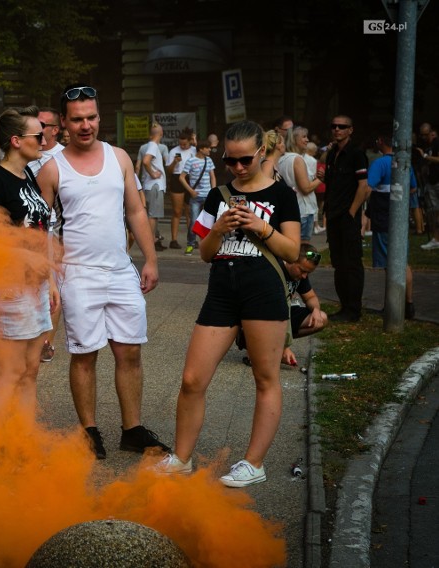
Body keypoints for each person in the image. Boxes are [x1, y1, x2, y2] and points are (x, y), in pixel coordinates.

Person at [153, 120, 300, 487]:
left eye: (244, 160)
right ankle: (182, 458)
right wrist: (217, 230)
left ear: (262, 153)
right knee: (192, 379)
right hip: (221, 291)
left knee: (264, 378)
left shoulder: (282, 195)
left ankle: (254, 462)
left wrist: (261, 226)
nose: (237, 168)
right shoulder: (219, 195)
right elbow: (205, 254)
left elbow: (294, 251)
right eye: (229, 161)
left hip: (263, 292)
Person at [37, 84, 168, 460]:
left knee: (130, 352)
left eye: (91, 117)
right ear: (63, 122)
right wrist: (49, 277)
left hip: (120, 271)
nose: (85, 125)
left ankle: (132, 429)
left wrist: (151, 259)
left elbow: (136, 211)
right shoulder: (52, 168)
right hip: (78, 274)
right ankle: (89, 430)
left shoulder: (119, 157)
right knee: (85, 354)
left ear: (99, 117)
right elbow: (41, 227)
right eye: (77, 119)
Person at [0, 106, 59, 426]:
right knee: (12, 371)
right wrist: (24, 258)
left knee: (31, 370)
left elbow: (38, 231)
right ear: (16, 141)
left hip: (34, 287)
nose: (45, 138)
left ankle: (23, 444)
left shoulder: (28, 175)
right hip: (8, 287)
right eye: (38, 134)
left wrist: (48, 279)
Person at [319, 115, 370, 321]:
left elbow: (363, 187)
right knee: (338, 263)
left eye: (342, 127)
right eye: (334, 126)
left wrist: (352, 212)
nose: (337, 129)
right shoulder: (332, 154)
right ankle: (344, 307)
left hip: (347, 217)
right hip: (333, 216)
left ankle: (353, 309)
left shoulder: (357, 154)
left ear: (350, 130)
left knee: (351, 263)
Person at [26, 108, 64, 362]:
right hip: (29, 231)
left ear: (55, 129)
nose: (38, 129)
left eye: (43, 125)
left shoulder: (63, 157)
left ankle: (46, 342)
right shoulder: (27, 154)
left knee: (53, 289)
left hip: (55, 233)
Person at [366, 134, 416, 319]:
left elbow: (368, 187)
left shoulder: (379, 163)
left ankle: (394, 306)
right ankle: (407, 304)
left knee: (390, 263)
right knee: (402, 261)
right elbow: (412, 188)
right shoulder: (405, 162)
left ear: (380, 141)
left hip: (383, 218)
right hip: (400, 218)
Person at [278, 127, 321, 243]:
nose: (307, 140)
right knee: (303, 250)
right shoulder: (297, 159)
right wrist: (321, 179)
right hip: (303, 211)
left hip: (290, 210)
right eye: (304, 137)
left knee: (292, 250)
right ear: (294, 139)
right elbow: (306, 188)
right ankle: (313, 261)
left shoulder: (281, 158)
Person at [178, 138, 215, 255]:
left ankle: (208, 245)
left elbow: (212, 177)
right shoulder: (191, 161)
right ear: (201, 149)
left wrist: (213, 192)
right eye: (207, 147)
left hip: (208, 195)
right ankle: (191, 244)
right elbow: (181, 177)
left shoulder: (209, 160)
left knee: (209, 222)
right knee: (193, 221)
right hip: (195, 197)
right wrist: (190, 191)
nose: (210, 149)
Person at [138, 124, 169, 251]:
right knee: (153, 215)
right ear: (161, 134)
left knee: (151, 215)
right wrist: (153, 173)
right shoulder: (153, 145)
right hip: (155, 185)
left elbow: (141, 164)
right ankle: (150, 243)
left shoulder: (150, 146)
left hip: (150, 185)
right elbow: (146, 161)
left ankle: (150, 241)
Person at [165, 130, 196, 249]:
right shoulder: (174, 151)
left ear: (189, 142)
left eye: (185, 144)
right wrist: (174, 162)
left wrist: (194, 140)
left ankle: (191, 239)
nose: (182, 146)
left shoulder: (194, 150)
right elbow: (169, 171)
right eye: (181, 144)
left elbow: (202, 154)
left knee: (190, 211)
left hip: (190, 177)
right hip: (177, 178)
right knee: (177, 211)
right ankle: (174, 240)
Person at [417, 122, 439, 250]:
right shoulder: (428, 146)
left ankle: (436, 239)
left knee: (436, 212)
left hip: (437, 182)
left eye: (425, 135)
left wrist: (425, 156)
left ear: (431, 132)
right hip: (431, 181)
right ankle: (435, 239)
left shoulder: (436, 143)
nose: (423, 137)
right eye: (421, 135)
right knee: (433, 211)